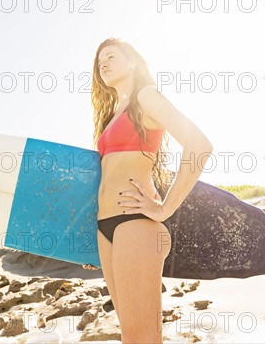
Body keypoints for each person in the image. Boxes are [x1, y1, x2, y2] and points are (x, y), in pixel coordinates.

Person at [88, 37, 213, 343]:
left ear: (132, 62)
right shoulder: (112, 113)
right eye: (99, 61)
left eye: (111, 57)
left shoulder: (146, 97)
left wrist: (164, 209)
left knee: (142, 338)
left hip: (136, 225)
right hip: (106, 228)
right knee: (130, 336)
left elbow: (199, 145)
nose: (103, 63)